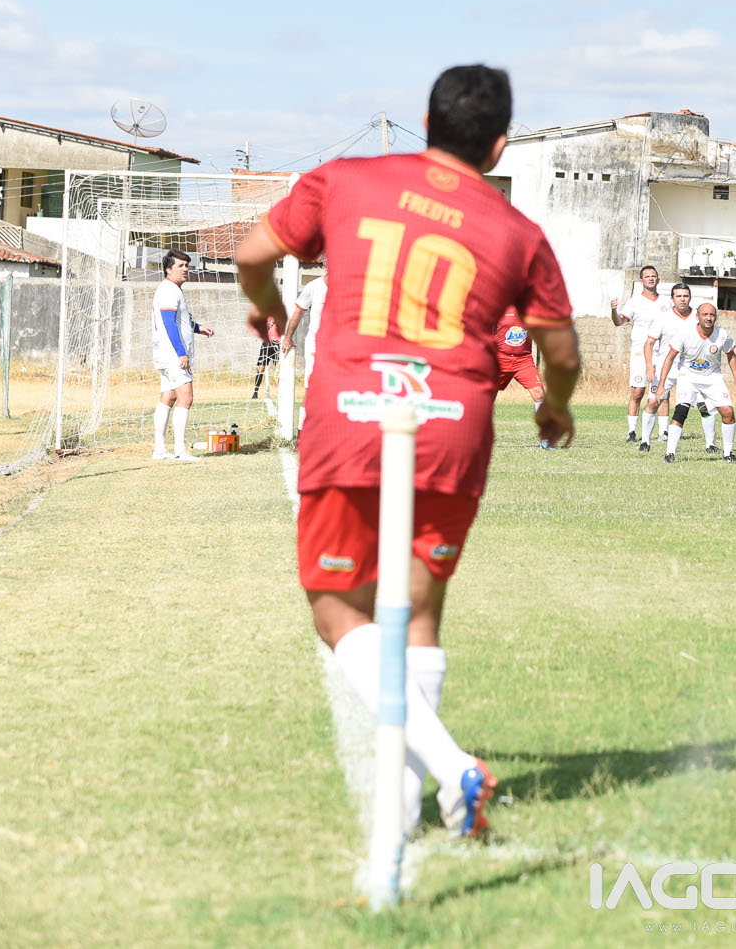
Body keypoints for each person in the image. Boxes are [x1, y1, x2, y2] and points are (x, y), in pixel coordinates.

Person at [233, 64, 580, 843]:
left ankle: (449, 767)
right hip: (454, 424)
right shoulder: (518, 231)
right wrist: (555, 405)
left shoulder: (346, 180)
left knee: (338, 609)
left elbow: (253, 254)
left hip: (354, 415)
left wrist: (271, 306)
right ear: (499, 146)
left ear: (426, 122)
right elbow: (559, 350)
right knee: (420, 612)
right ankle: (413, 805)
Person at [659, 302, 736, 463]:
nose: (708, 318)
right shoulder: (685, 333)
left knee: (728, 411)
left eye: (712, 315)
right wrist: (662, 384)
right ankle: (670, 453)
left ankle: (728, 454)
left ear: (716, 317)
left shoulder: (722, 335)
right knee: (681, 411)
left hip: (712, 377)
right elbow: (670, 357)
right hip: (688, 376)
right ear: (697, 316)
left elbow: (731, 356)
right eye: (705, 314)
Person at [151, 249, 213, 461]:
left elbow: (181, 321)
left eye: (187, 265)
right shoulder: (170, 290)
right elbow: (169, 323)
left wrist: (198, 328)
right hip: (173, 355)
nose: (186, 269)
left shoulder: (170, 289)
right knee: (186, 398)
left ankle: (160, 449)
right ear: (169, 269)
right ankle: (180, 450)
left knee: (168, 397)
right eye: (180, 265)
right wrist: (181, 353)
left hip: (164, 354)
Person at [641, 283, 705, 453]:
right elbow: (649, 343)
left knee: (704, 405)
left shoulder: (698, 317)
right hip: (665, 368)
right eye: (679, 296)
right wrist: (649, 366)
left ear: (690, 298)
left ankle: (711, 444)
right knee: (653, 401)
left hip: (690, 370)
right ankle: (645, 441)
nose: (682, 299)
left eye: (685, 296)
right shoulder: (663, 318)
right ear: (672, 299)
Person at [610, 265, 666, 445]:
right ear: (641, 281)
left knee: (661, 392)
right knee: (638, 391)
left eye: (653, 276)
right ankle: (632, 431)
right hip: (640, 353)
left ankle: (663, 432)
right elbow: (619, 322)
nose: (651, 279)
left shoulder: (666, 302)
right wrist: (614, 311)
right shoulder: (634, 302)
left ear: (658, 279)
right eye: (647, 276)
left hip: (661, 353)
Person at [283, 268, 328, 430]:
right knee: (311, 390)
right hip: (315, 345)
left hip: (338, 346)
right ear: (325, 268)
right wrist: (288, 337)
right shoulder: (314, 286)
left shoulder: (347, 287)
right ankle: (302, 434)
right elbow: (298, 311)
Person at [495, 305, 547, 413]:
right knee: (486, 395)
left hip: (523, 360)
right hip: (500, 359)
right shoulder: (500, 306)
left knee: (539, 393)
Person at [250, 312, 281, 399]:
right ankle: (255, 393)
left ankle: (281, 392)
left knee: (278, 369)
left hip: (278, 343)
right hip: (267, 343)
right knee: (261, 368)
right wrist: (269, 324)